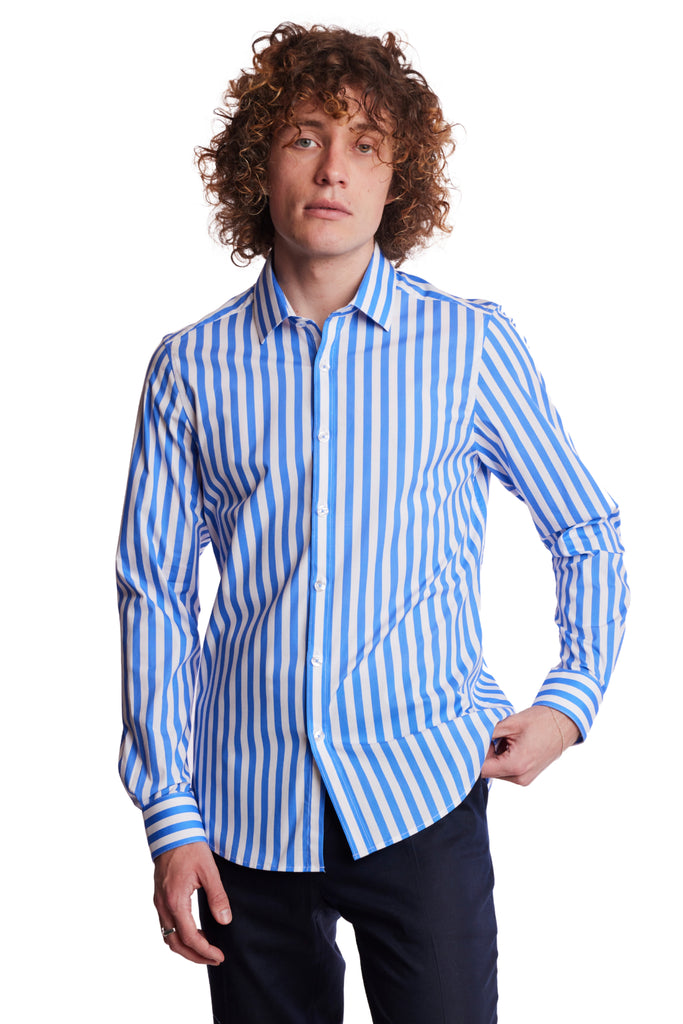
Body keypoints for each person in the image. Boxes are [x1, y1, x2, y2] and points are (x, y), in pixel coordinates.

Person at [116, 22, 629, 1024]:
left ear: (399, 180)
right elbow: (156, 597)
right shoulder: (190, 367)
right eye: (304, 137)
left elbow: (584, 528)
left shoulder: (469, 346)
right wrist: (170, 816)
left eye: (364, 144)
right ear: (258, 163)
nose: (332, 169)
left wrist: (569, 699)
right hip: (243, 810)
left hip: (418, 792)